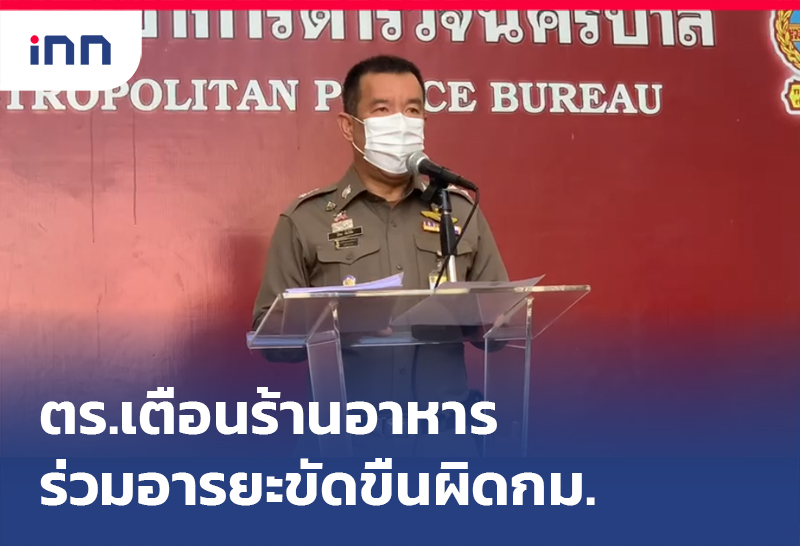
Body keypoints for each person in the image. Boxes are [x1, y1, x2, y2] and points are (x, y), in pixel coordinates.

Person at [252, 55, 509, 457]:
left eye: (413, 110)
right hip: (347, 446)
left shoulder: (458, 210)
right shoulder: (306, 219)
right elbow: (270, 339)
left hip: (446, 447)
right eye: (383, 110)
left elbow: (503, 327)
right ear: (348, 125)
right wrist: (336, 322)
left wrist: (487, 321)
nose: (401, 123)